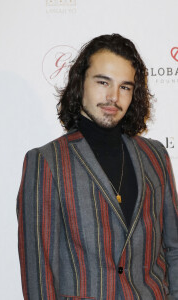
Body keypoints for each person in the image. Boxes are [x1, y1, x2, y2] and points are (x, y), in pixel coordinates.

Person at [17, 34, 178, 300]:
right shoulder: (46, 162)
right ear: (80, 83)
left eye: (125, 87)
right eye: (103, 82)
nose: (113, 96)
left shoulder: (155, 156)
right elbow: (39, 275)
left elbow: (173, 247)